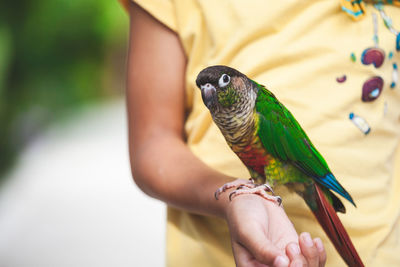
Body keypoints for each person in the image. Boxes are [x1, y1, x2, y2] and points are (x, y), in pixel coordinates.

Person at [123, 0, 400, 266]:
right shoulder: (227, 117)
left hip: (379, 246)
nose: (212, 92)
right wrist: (241, 197)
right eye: (205, 87)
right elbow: (152, 144)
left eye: (222, 82)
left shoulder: (262, 109)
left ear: (241, 83)